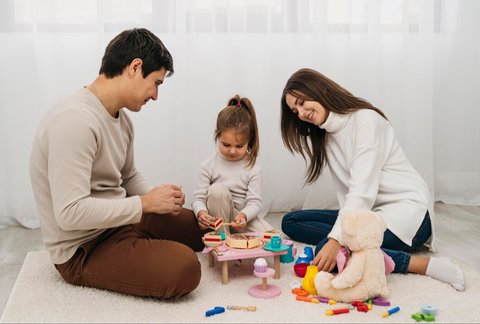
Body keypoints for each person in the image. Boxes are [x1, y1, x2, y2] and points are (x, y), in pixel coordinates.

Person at [29, 28, 207, 299]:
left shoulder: (121, 120)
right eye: (156, 83)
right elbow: (69, 213)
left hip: (118, 220)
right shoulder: (74, 121)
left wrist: (156, 196)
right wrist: (145, 205)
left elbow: (127, 177)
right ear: (135, 67)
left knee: (199, 229)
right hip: (84, 246)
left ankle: (139, 242)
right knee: (185, 267)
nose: (156, 96)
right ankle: (135, 249)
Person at [280, 68, 465, 291]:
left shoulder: (365, 120)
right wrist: (339, 235)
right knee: (291, 222)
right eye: (295, 110)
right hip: (370, 215)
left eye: (301, 102)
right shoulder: (327, 137)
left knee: (326, 251)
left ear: (320, 90)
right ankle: (356, 246)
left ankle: (419, 264)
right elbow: (349, 196)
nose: (300, 113)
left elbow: (361, 192)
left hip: (407, 214)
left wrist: (336, 240)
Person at [192, 95, 272, 236]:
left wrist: (244, 216)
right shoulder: (208, 165)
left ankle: (237, 236)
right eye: (226, 145)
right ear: (218, 137)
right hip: (219, 221)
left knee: (271, 237)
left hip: (242, 219)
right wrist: (201, 212)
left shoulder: (253, 167)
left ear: (249, 141)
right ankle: (223, 239)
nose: (232, 151)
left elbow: (255, 203)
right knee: (217, 190)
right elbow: (198, 198)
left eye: (240, 146)